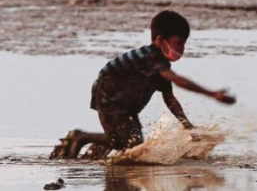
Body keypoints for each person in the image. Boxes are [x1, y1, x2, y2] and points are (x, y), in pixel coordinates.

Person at [50, 10, 235, 159]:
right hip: (110, 97)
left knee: (135, 146)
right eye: (179, 43)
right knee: (128, 145)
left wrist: (188, 127)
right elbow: (178, 80)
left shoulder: (160, 65)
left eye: (184, 43)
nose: (182, 49)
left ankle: (97, 151)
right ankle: (81, 138)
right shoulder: (151, 58)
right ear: (161, 40)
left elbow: (170, 99)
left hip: (124, 105)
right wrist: (212, 94)